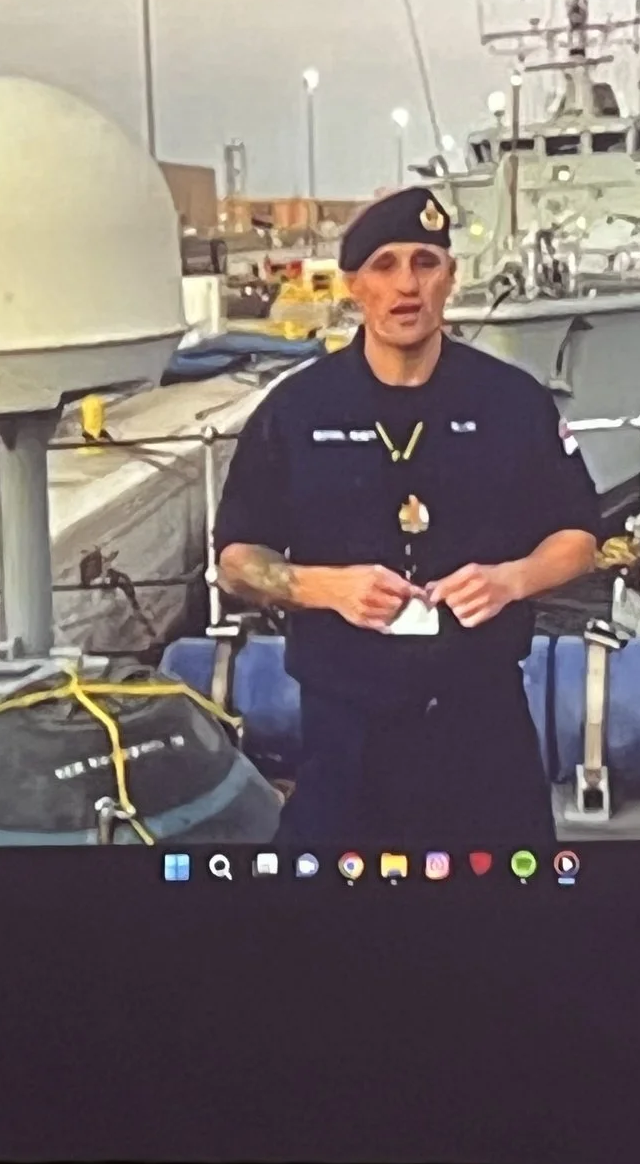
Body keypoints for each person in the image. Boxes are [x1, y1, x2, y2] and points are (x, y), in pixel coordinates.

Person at [213, 186, 601, 850]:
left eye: (425, 262)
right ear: (354, 284)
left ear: (451, 276)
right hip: (346, 727)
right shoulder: (297, 410)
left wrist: (509, 579)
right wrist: (326, 587)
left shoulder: (512, 402)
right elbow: (236, 559)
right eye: (384, 265)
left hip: (482, 723)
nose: (406, 285)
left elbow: (579, 537)